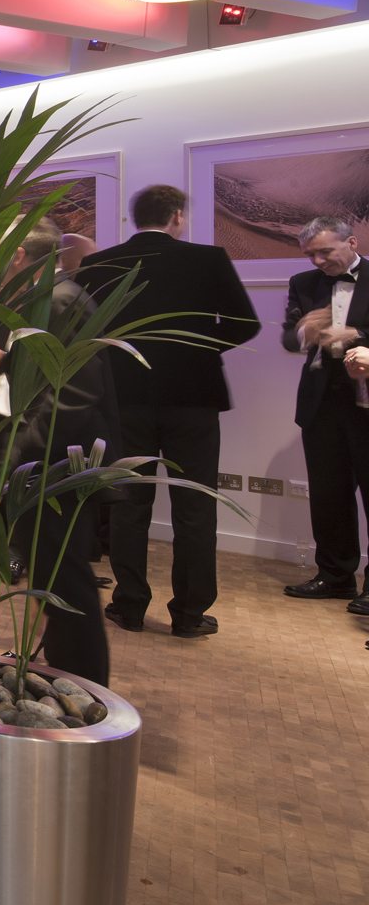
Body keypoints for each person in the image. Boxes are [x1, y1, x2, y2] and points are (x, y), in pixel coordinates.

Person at [77, 184, 258, 638]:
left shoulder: (97, 265)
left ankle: (130, 605)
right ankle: (190, 613)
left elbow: (82, 335)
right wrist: (198, 351)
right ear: (177, 215)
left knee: (129, 506)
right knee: (195, 506)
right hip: (193, 399)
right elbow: (246, 324)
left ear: (134, 219)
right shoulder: (208, 259)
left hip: (124, 400)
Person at [0, 217, 118, 686]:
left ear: (20, 258)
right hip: (46, 462)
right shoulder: (50, 300)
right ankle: (69, 678)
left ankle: (84, 690)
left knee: (66, 584)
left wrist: (15, 457)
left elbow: (72, 396)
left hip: (54, 466)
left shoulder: (62, 302)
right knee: (53, 580)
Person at [279, 215, 369, 610]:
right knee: (329, 496)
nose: (316, 261)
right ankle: (335, 576)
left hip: (366, 401)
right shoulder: (303, 283)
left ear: (351, 242)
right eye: (310, 254)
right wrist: (305, 332)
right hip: (321, 403)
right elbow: (288, 336)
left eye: (324, 252)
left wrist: (357, 335)